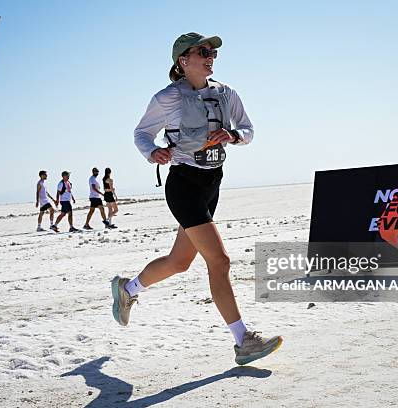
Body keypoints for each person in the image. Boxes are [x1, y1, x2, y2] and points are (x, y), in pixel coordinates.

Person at [111, 32, 282, 366]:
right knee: (219, 261)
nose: (210, 57)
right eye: (202, 51)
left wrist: (232, 135)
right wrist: (153, 153)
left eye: (212, 52)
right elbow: (141, 134)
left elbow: (248, 130)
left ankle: (127, 289)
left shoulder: (226, 93)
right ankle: (243, 341)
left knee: (179, 262)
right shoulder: (167, 98)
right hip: (184, 184)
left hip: (211, 182)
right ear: (183, 60)